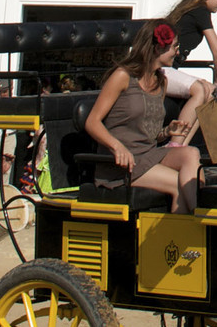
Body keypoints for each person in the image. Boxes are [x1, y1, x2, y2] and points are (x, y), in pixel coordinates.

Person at [86, 23, 205, 214]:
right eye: (175, 46)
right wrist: (117, 147)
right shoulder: (123, 76)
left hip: (148, 155)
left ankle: (200, 216)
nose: (177, 51)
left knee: (190, 153)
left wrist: (167, 132)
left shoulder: (161, 81)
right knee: (178, 183)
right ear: (158, 48)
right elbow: (92, 122)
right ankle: (196, 223)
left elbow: (146, 134)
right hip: (122, 163)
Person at [164, 0, 217, 90]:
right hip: (165, 70)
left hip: (167, 69)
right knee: (204, 91)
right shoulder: (200, 12)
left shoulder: (188, 10)